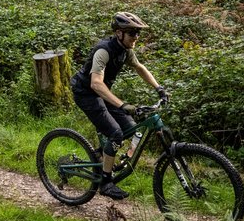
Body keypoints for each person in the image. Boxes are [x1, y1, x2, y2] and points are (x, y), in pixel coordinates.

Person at [69, 11, 169, 200]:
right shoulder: (103, 50)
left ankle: (102, 154)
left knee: (131, 129)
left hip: (102, 92)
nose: (136, 37)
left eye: (138, 33)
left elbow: (140, 68)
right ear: (119, 33)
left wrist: (159, 88)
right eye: (132, 33)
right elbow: (96, 84)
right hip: (86, 93)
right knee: (115, 133)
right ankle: (106, 182)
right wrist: (123, 105)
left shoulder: (125, 50)